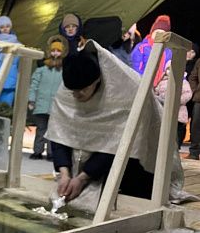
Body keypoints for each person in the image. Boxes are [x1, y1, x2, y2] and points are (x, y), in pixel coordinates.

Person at [47, 41, 167, 210]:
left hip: (135, 164)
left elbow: (118, 143)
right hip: (92, 160)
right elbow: (59, 132)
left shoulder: (123, 92)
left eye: (82, 90)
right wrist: (64, 173)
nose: (76, 95)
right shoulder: (68, 90)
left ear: (96, 81)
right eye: (73, 91)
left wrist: (83, 177)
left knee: (129, 199)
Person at [28, 35, 67, 160]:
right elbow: (34, 85)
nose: (55, 53)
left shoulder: (64, 71)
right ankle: (37, 151)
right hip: (41, 104)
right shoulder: (42, 70)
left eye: (58, 51)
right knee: (41, 129)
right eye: (53, 50)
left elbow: (67, 88)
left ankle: (51, 153)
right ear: (50, 52)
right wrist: (31, 99)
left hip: (56, 106)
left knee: (53, 131)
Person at [154, 66, 192, 149]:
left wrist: (177, 101)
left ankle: (176, 147)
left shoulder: (184, 82)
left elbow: (188, 94)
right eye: (168, 69)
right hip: (163, 108)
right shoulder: (162, 81)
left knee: (176, 131)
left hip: (178, 111)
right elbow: (156, 91)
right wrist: (158, 98)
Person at [131, 15, 172, 87]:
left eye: (162, 34)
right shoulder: (142, 47)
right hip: (141, 83)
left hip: (158, 86)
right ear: (152, 32)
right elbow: (135, 66)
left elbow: (170, 68)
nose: (158, 36)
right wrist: (142, 82)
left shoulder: (168, 52)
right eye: (157, 33)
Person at [187, 58, 200, 159]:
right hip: (199, 98)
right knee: (196, 126)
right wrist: (195, 90)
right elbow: (192, 77)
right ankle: (194, 153)